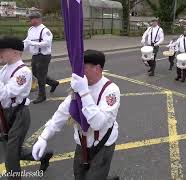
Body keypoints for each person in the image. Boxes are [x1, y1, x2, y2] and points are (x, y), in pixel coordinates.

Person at [32, 50, 120, 180]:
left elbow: (98, 123)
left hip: (102, 144)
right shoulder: (79, 87)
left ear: (98, 68)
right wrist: (43, 137)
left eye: (83, 68)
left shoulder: (111, 90)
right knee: (79, 175)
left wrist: (84, 92)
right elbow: (61, 113)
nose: (78, 73)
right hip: (82, 143)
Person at [0, 36, 52, 180]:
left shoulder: (23, 72)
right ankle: (41, 156)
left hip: (18, 114)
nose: (0, 53)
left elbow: (4, 94)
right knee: (10, 147)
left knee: (11, 155)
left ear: (15, 52)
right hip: (4, 113)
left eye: (3, 50)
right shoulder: (5, 68)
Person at [23, 12, 59, 104]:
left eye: (33, 18)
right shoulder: (30, 29)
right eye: (31, 19)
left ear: (39, 19)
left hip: (44, 56)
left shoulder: (45, 30)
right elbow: (27, 41)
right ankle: (53, 83)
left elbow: (47, 43)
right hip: (35, 55)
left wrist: (33, 43)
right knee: (36, 73)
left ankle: (42, 96)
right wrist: (20, 47)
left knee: (41, 76)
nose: (32, 20)